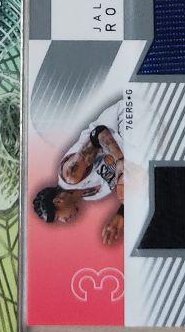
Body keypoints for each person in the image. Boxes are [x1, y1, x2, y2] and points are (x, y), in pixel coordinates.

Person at [30, 100, 127, 246]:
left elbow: (97, 133)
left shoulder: (70, 176)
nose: (64, 221)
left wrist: (119, 159)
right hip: (133, 141)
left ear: (58, 201)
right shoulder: (92, 195)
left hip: (124, 122)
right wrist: (121, 214)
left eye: (58, 218)